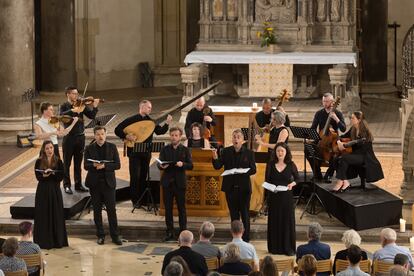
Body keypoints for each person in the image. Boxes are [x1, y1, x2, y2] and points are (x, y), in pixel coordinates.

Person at [114, 99, 172, 206]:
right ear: (142, 107)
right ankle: (135, 200)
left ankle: (142, 199)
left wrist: (167, 123)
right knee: (135, 176)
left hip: (146, 152)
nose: (150, 109)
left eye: (150, 107)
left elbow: (160, 132)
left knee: (143, 176)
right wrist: (127, 136)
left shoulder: (151, 121)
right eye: (148, 107)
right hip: (134, 152)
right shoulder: (132, 119)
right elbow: (117, 129)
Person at [212, 129, 256, 242]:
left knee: (245, 214)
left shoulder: (249, 153)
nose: (236, 139)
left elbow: (253, 170)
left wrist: (242, 171)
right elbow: (217, 166)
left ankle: (246, 238)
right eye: (234, 137)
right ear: (232, 139)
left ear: (242, 140)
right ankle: (236, 237)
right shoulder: (226, 151)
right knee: (234, 214)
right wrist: (215, 157)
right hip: (230, 188)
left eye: (238, 137)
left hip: (244, 188)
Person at [84, 126, 122, 245]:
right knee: (97, 211)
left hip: (108, 184)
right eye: (98, 134)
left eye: (102, 134)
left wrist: (105, 166)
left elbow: (117, 165)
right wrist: (94, 166)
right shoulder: (89, 148)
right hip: (94, 184)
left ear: (106, 134)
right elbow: (85, 165)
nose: (100, 136)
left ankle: (115, 236)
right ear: (94, 136)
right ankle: (100, 235)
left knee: (111, 210)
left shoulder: (112, 147)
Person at [60, 86, 99, 194]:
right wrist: (73, 110)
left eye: (77, 94)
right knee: (66, 163)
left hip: (81, 137)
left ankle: (78, 184)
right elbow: (62, 116)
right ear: (68, 94)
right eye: (74, 93)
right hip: (69, 138)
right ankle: (66, 185)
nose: (76, 96)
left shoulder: (81, 104)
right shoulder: (64, 106)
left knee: (78, 163)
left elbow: (91, 116)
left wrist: (94, 107)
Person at [333, 111, 384, 191]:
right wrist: (339, 142)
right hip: (356, 155)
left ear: (359, 120)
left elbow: (362, 148)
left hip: (365, 156)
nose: (351, 120)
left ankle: (340, 181)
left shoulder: (364, 132)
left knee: (344, 158)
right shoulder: (353, 129)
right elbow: (341, 136)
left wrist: (347, 145)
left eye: (353, 118)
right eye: (351, 118)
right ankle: (345, 181)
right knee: (336, 159)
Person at [158, 127, 193, 241]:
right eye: (172, 135)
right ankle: (169, 232)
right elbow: (159, 163)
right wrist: (161, 166)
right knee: (168, 209)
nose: (174, 137)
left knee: (181, 208)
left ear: (180, 136)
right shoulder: (165, 149)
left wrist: (182, 164)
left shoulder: (185, 150)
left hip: (180, 183)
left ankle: (183, 232)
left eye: (176, 135)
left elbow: (191, 165)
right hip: (167, 183)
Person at [34, 140, 68, 249]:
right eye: (47, 148)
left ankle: (57, 241)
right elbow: (37, 176)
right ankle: (43, 241)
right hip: (43, 191)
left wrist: (52, 173)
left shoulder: (58, 161)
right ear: (44, 150)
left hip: (54, 191)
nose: (50, 150)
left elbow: (61, 176)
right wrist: (43, 176)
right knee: (43, 214)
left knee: (56, 214)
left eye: (51, 148)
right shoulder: (39, 161)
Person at [265, 142, 298, 256]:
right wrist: (270, 188)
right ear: (275, 152)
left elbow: (297, 179)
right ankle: (275, 248)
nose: (280, 153)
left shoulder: (291, 164)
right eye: (278, 151)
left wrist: (291, 184)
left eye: (282, 151)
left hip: (286, 198)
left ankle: (287, 247)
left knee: (286, 221)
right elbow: (267, 181)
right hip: (274, 197)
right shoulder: (270, 164)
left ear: (286, 152)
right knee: (275, 221)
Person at [309, 93, 346, 181]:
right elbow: (313, 127)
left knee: (336, 151)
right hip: (321, 138)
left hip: (333, 139)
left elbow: (343, 129)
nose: (325, 103)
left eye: (327, 101)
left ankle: (329, 173)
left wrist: (336, 118)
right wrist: (308, 136)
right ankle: (317, 174)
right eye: (323, 101)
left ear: (333, 102)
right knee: (308, 149)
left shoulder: (338, 113)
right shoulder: (319, 113)